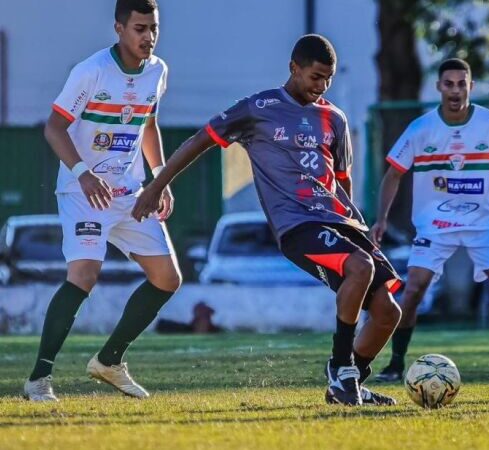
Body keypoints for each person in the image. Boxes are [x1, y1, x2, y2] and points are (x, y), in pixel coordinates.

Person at [132, 34, 402, 407]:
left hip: (339, 222)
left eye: (328, 79)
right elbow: (199, 140)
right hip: (297, 226)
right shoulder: (258, 108)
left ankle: (350, 381)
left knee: (389, 311)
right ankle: (341, 370)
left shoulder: (334, 119)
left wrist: (354, 219)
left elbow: (341, 181)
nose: (321, 86)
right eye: (315, 77)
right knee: (360, 267)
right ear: (294, 68)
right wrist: (156, 185)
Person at [24, 0, 181, 402]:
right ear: (118, 28)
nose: (148, 37)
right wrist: (83, 173)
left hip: (129, 194)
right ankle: (38, 380)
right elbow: (55, 128)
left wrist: (159, 179)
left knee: (168, 278)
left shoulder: (159, 71)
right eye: (140, 29)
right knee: (85, 273)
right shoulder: (91, 71)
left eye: (154, 29)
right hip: (83, 192)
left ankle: (109, 361)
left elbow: (149, 124)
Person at [370, 58, 489, 382]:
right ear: (439, 87)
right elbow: (393, 175)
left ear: (470, 86)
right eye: (449, 83)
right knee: (413, 290)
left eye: (461, 83)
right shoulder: (421, 128)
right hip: (434, 225)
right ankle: (396, 362)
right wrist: (381, 219)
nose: (455, 90)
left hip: (482, 222)